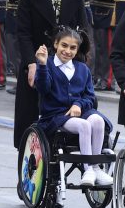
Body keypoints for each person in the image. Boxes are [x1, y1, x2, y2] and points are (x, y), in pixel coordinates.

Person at [13, 0, 87, 149]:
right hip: (39, 59)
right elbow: (23, 33)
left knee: (69, 108)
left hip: (68, 59)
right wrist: (31, 63)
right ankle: (30, 153)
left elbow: (83, 31)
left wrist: (79, 60)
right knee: (30, 114)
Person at [34, 27, 113, 186]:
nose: (67, 51)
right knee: (84, 125)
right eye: (64, 45)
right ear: (56, 44)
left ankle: (95, 167)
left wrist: (78, 104)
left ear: (77, 50)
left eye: (72, 48)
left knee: (98, 121)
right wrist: (42, 65)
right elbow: (43, 88)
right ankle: (88, 170)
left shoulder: (82, 69)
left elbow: (90, 97)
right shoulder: (47, 64)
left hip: (80, 111)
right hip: (56, 115)